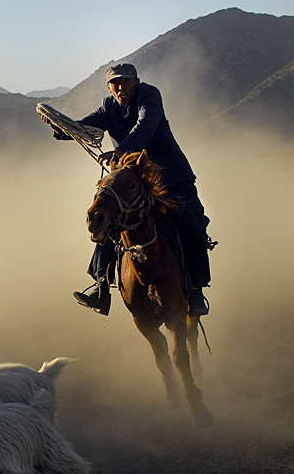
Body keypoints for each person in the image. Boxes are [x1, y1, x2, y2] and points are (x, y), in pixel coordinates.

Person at [53, 63, 212, 316]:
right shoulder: (109, 107)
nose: (120, 86)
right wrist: (61, 128)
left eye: (126, 81)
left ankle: (196, 291)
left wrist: (120, 151)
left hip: (172, 178)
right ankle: (101, 286)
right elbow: (86, 127)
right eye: (115, 83)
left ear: (136, 81)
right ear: (108, 87)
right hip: (133, 180)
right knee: (108, 219)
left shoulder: (149, 95)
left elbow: (146, 125)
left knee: (192, 224)